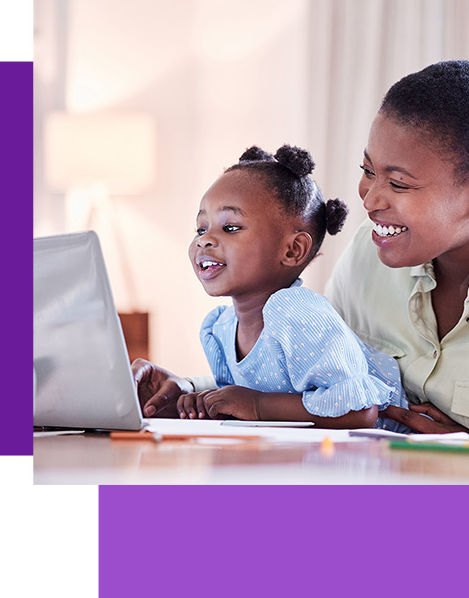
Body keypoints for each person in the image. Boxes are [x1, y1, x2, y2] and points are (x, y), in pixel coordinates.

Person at [325, 60, 469, 437]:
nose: (369, 201)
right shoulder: (367, 257)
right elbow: (312, 372)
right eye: (368, 171)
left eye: (398, 184)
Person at [134, 144, 409, 430]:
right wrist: (194, 402)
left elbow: (360, 412)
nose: (205, 240)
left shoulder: (299, 314)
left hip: (391, 461)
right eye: (201, 228)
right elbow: (238, 407)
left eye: (230, 228)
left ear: (292, 250)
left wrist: (257, 405)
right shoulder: (222, 328)